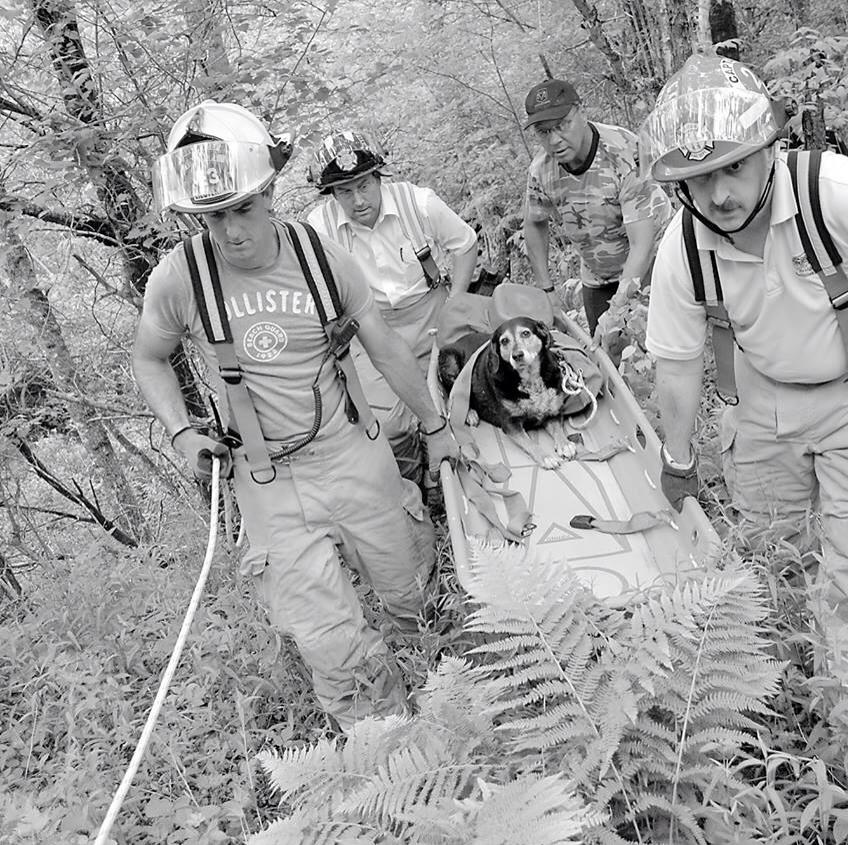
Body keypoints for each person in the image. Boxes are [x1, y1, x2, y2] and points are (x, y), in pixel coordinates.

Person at [640, 54, 848, 710]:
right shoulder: (681, 248)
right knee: (767, 549)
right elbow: (675, 360)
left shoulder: (837, 191)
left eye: (733, 166)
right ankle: (774, 689)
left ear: (768, 149)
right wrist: (677, 457)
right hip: (764, 396)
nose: (720, 193)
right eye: (699, 179)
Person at [132, 101, 456, 729]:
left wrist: (436, 428)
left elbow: (382, 344)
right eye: (212, 217)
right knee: (331, 644)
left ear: (270, 191)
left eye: (243, 210)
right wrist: (182, 433)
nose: (230, 233)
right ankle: (390, 764)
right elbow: (150, 358)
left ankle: (453, 709)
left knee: (415, 597)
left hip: (350, 452)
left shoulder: (319, 256)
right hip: (268, 483)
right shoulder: (181, 279)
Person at [306, 131, 478, 483]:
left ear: (379, 178)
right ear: (332, 194)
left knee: (464, 394)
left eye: (364, 185)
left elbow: (465, 244)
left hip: (432, 313)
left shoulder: (418, 204)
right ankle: (420, 486)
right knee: (387, 422)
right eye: (344, 191)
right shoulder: (319, 230)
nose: (357, 201)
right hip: (371, 331)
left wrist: (456, 303)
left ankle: (470, 471)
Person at [521, 78, 670, 335]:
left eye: (562, 126)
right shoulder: (541, 171)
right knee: (606, 357)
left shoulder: (625, 151)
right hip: (597, 274)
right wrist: (548, 292)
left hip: (653, 266)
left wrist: (617, 310)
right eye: (544, 132)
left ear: (581, 111)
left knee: (656, 351)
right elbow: (534, 223)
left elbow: (642, 245)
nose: (554, 140)